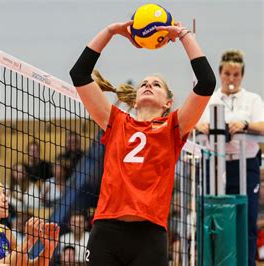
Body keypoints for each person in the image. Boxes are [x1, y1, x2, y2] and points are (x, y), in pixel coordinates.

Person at [69, 19, 216, 265]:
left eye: (156, 84)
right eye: (143, 84)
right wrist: (110, 31)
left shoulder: (173, 127)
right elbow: (79, 73)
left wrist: (183, 35)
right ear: (135, 100)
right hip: (107, 232)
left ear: (168, 102)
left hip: (149, 236)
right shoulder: (115, 121)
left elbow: (207, 82)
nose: (148, 85)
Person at [195, 49, 264, 266]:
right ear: (220, 73)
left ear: (241, 75)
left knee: (246, 219)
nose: (231, 79)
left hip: (245, 165)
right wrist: (202, 126)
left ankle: (246, 262)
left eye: (235, 74)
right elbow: (193, 123)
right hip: (214, 165)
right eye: (227, 74)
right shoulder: (209, 99)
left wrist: (244, 125)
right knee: (213, 218)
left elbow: (261, 125)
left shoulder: (252, 99)